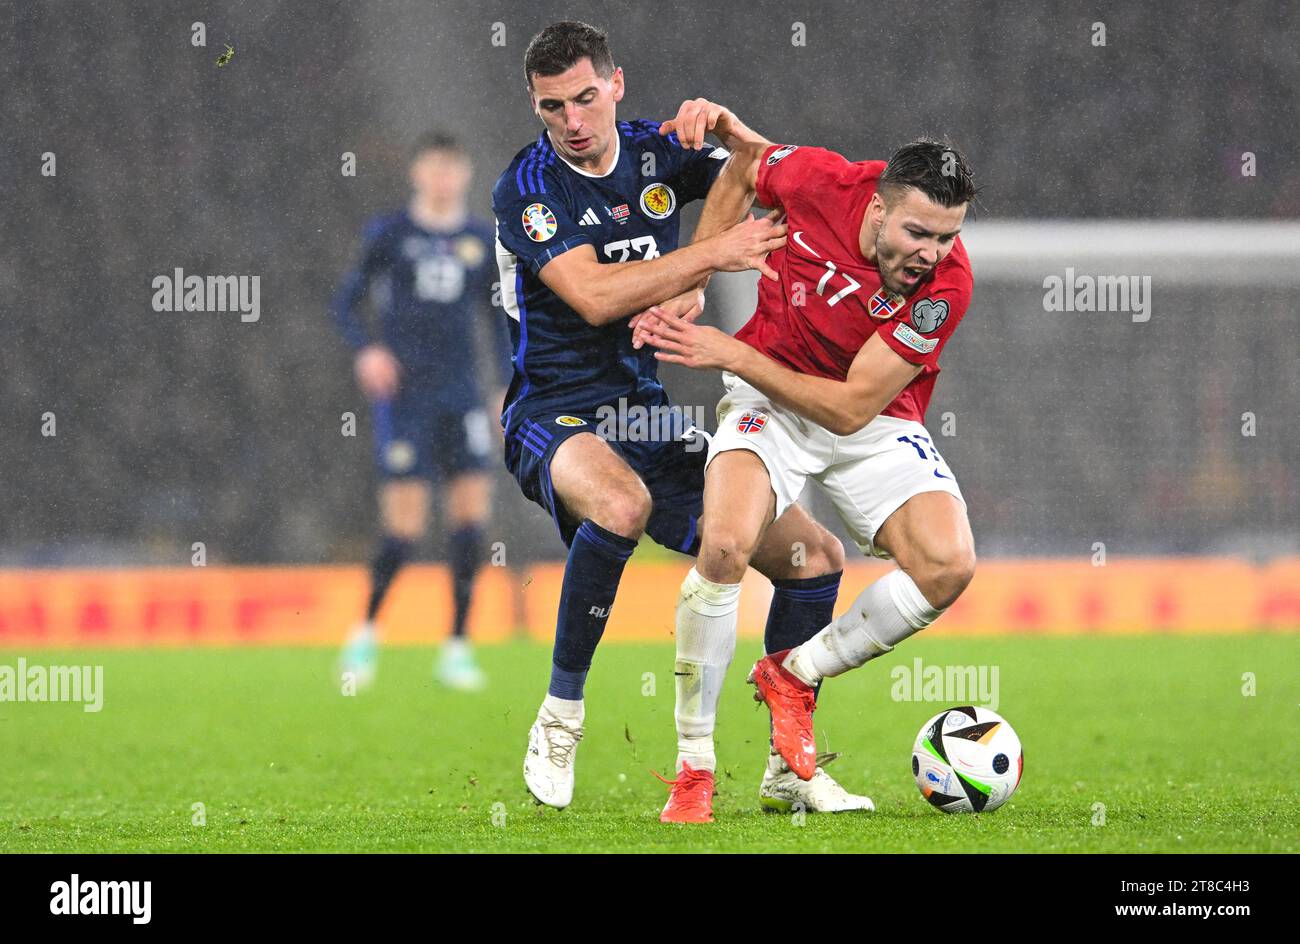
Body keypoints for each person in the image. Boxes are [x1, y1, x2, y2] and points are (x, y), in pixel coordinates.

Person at [493, 21, 855, 817]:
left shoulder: (656, 150)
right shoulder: (528, 188)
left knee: (812, 555)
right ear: (536, 106)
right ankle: (561, 715)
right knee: (623, 506)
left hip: (643, 417)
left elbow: (761, 171)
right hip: (547, 413)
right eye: (553, 106)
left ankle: (787, 766)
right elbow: (592, 297)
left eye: (586, 97)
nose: (573, 120)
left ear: (616, 85)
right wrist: (707, 260)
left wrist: (726, 125)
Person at [639, 135, 978, 820]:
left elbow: (853, 408)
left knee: (948, 566)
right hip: (771, 405)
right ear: (877, 207)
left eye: (946, 237)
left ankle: (796, 675)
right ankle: (694, 769)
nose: (931, 254)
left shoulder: (947, 286)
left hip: (870, 414)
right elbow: (741, 165)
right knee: (726, 546)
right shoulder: (821, 179)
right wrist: (694, 281)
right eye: (917, 231)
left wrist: (731, 351)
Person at [332, 130, 511, 691]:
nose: (442, 178)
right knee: (403, 524)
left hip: (461, 396)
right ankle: (365, 634)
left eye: (451, 168)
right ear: (417, 174)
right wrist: (368, 351)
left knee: (469, 518)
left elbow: (502, 323)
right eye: (432, 168)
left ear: (463, 175)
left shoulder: (482, 242)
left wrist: (506, 386)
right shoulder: (390, 234)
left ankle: (456, 646)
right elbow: (345, 301)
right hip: (406, 398)